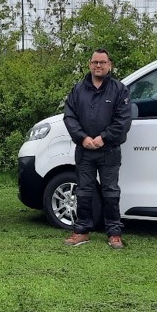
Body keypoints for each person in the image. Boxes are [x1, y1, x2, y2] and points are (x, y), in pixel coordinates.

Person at [63, 49, 132, 249]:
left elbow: (124, 120)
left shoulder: (120, 90)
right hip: (84, 150)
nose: (98, 66)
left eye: (102, 62)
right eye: (95, 62)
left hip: (109, 150)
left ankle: (114, 233)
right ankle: (82, 230)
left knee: (110, 191)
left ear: (110, 64)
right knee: (84, 191)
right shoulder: (78, 90)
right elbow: (69, 116)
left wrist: (104, 138)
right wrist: (82, 138)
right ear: (89, 64)